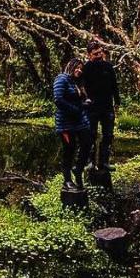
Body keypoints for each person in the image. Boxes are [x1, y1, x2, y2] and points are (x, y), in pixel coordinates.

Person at [80, 40, 120, 172]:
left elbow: (114, 85)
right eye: (95, 53)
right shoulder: (85, 68)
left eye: (100, 52)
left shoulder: (108, 66)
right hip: (92, 108)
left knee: (108, 135)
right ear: (89, 55)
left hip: (107, 106)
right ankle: (90, 162)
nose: (99, 55)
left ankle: (104, 162)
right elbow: (81, 86)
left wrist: (117, 102)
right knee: (91, 135)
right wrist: (85, 100)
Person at [53, 57, 92, 190]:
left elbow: (79, 99)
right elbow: (58, 99)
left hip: (79, 121)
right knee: (69, 150)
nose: (79, 70)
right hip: (65, 123)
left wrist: (85, 102)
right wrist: (76, 108)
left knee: (87, 143)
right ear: (71, 66)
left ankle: (78, 168)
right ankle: (67, 180)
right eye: (77, 67)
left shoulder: (77, 82)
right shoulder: (61, 79)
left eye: (81, 69)